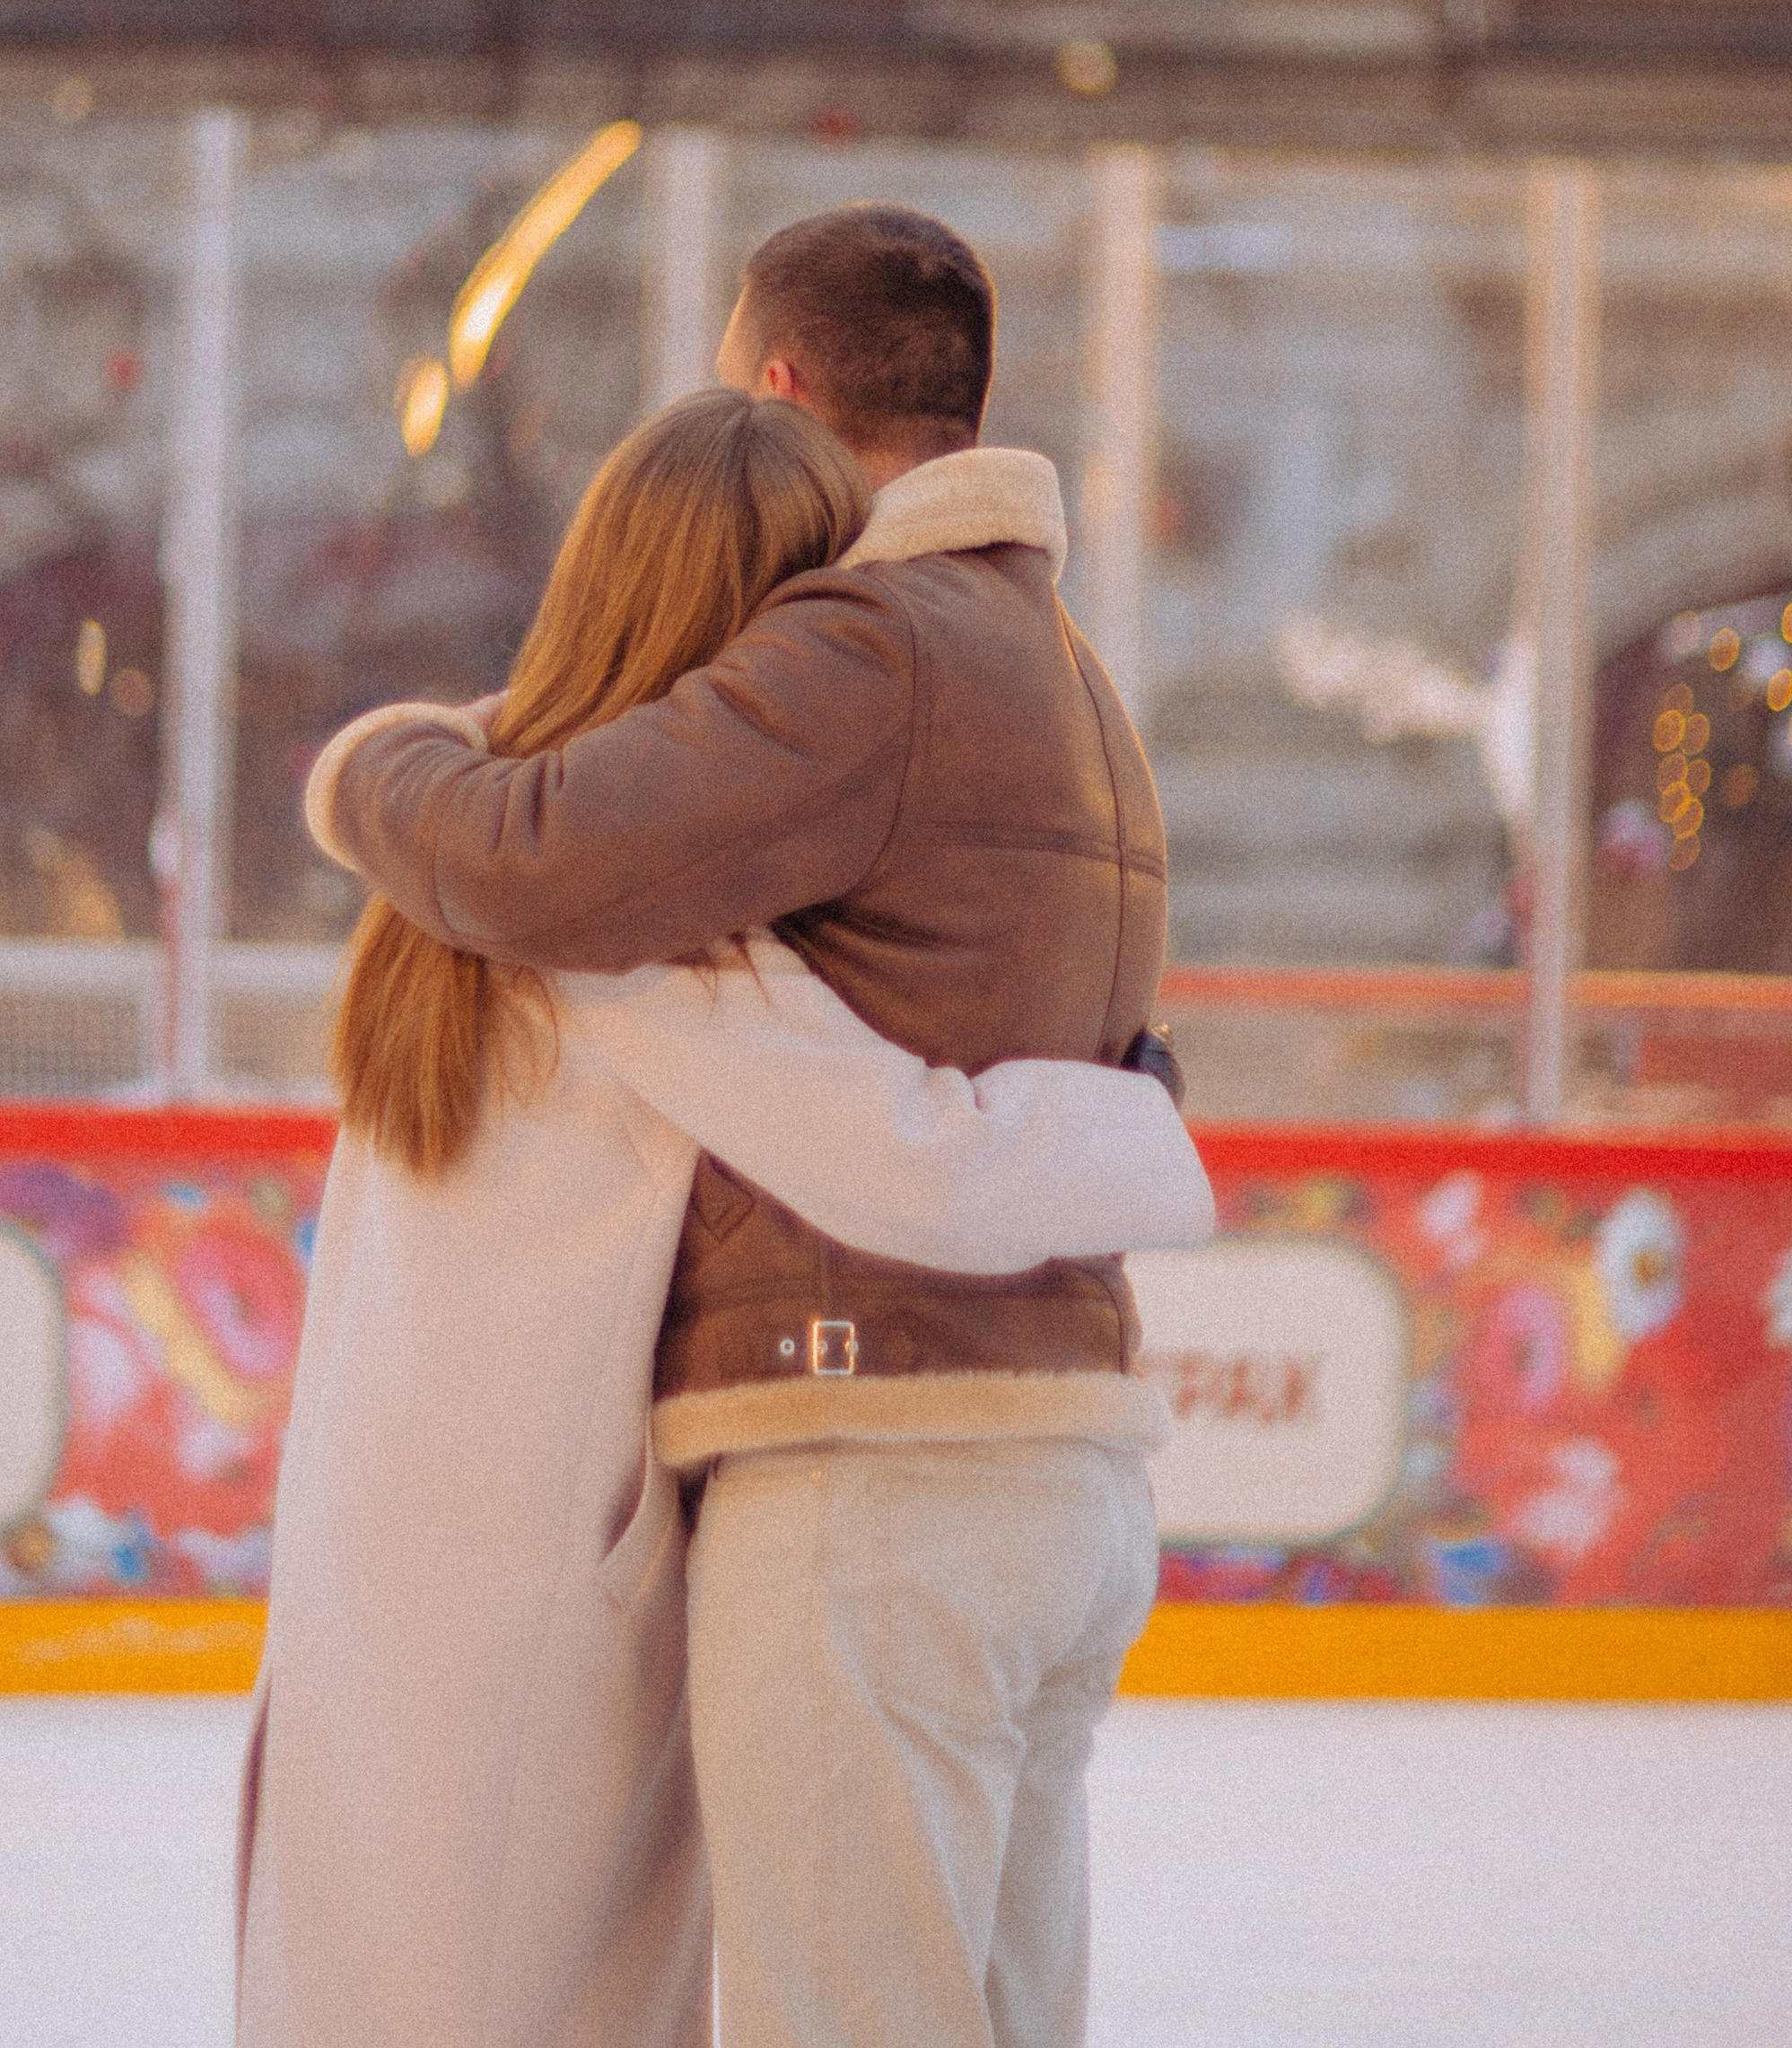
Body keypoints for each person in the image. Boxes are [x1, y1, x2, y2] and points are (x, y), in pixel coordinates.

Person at [240, 389, 1211, 2048]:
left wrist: (384, 756)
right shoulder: (655, 947)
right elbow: (926, 1160)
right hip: (551, 1593)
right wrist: (1141, 1115)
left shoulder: (470, 868)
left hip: (386, 1563)